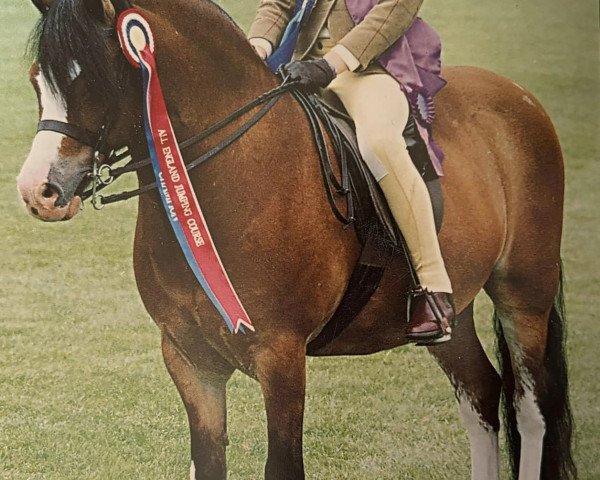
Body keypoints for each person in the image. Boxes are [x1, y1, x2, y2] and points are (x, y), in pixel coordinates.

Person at [248, 0, 454, 345]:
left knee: (378, 144)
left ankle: (434, 286)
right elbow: (278, 4)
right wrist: (256, 47)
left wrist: (330, 65)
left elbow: (395, 10)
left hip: (367, 72)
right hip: (298, 70)